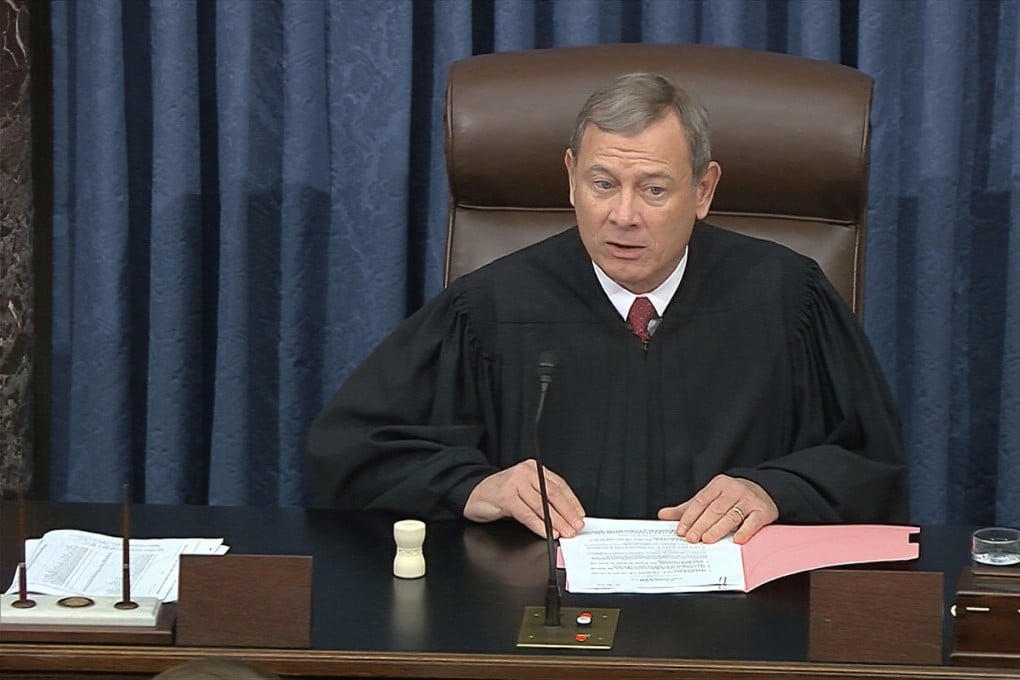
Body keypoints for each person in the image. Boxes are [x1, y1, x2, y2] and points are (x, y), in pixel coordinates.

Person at [308, 72, 908, 545]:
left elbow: (871, 460)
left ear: (703, 190)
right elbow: (353, 449)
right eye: (602, 184)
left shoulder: (786, 297)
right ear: (570, 177)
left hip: (741, 616)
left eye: (654, 189)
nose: (623, 215)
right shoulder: (490, 308)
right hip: (535, 613)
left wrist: (776, 490)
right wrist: (476, 486)